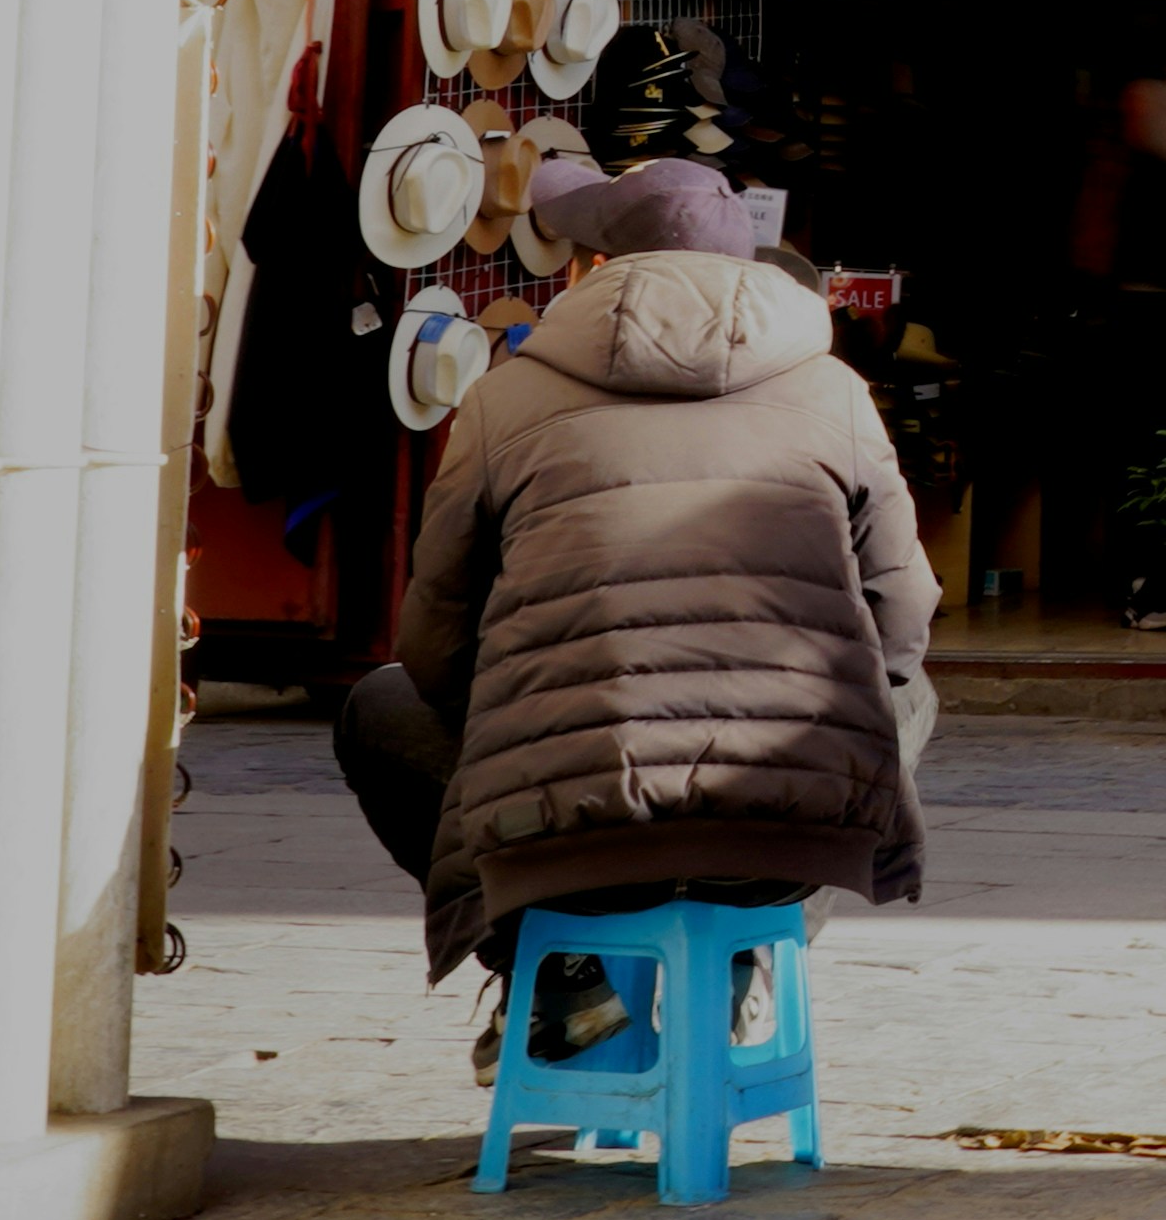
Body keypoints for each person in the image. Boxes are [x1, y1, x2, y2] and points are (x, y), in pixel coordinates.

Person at [333, 153, 937, 1075]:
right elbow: (902, 621)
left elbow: (433, 644)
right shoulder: (837, 395)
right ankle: (744, 954)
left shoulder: (502, 399)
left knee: (379, 709)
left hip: (569, 833)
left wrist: (538, 710)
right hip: (775, 841)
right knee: (903, 699)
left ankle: (557, 974)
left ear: (592, 268)